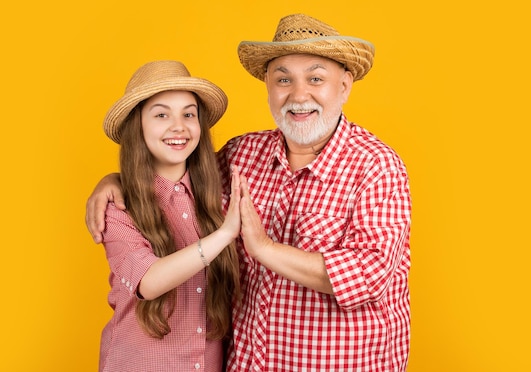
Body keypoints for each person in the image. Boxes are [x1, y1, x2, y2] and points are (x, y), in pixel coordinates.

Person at [87, 14, 412, 371]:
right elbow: (173, 168)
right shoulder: (242, 154)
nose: (298, 94)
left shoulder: (376, 165)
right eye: (283, 79)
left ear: (345, 85)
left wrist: (265, 249)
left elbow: (369, 275)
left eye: (315, 78)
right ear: (269, 87)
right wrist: (116, 180)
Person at [95, 60, 241, 372]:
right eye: (162, 114)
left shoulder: (219, 190)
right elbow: (148, 281)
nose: (179, 126)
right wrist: (224, 235)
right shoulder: (118, 206)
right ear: (139, 127)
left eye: (189, 114)